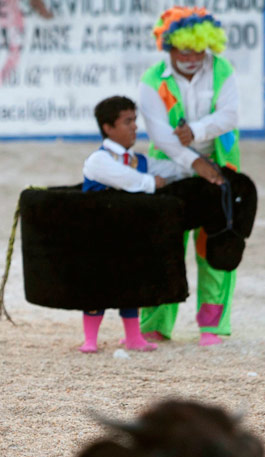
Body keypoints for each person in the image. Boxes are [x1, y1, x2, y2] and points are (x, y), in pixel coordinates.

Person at [137, 6, 241, 347]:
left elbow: (229, 116)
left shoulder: (223, 69)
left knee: (215, 246)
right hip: (170, 171)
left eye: (200, 49)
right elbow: (161, 136)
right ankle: (154, 325)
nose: (194, 57)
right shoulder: (152, 80)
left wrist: (194, 131)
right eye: (185, 51)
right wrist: (196, 164)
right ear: (168, 47)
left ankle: (212, 326)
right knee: (163, 247)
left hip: (221, 168)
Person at [78, 95, 180, 354]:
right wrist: (153, 182)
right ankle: (90, 338)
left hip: (129, 235)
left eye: (135, 120)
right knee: (96, 286)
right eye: (127, 121)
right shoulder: (98, 160)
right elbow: (131, 180)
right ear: (107, 128)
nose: (135, 126)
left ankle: (134, 336)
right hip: (98, 236)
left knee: (132, 282)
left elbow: (175, 170)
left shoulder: (140, 160)